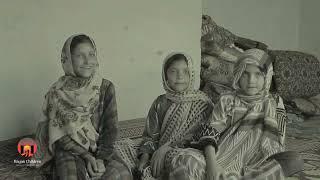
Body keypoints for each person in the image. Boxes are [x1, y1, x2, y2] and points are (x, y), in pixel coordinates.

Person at [36, 34, 132, 180]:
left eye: (91, 54)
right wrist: (87, 156)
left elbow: (110, 128)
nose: (87, 61)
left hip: (100, 148)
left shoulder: (105, 87)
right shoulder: (56, 92)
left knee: (121, 174)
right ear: (67, 59)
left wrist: (100, 159)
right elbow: (61, 137)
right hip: (70, 150)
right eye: (80, 55)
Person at [194, 48, 287, 180]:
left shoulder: (275, 103)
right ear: (238, 74)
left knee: (294, 160)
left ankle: (246, 174)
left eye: (258, 74)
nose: (251, 80)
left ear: (267, 77)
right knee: (186, 161)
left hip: (258, 161)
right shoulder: (227, 100)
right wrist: (212, 165)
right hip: (223, 157)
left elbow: (277, 144)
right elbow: (210, 134)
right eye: (245, 73)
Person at [137, 52, 213, 180]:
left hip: (189, 151)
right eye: (173, 71)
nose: (180, 76)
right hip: (160, 149)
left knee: (184, 163)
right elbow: (150, 137)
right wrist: (144, 160)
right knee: (121, 148)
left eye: (185, 71)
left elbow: (201, 136)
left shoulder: (203, 103)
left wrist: (167, 148)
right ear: (165, 76)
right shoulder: (160, 102)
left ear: (192, 75)